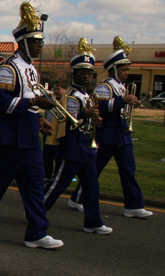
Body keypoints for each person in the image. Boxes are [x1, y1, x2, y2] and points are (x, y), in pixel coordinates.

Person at [0, 2, 64, 249]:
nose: (40, 45)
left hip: (29, 138)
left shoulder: (31, 69)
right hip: (7, 138)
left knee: (34, 187)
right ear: (22, 42)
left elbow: (28, 102)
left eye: (41, 41)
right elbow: (1, 103)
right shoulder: (7, 69)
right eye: (35, 41)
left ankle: (37, 232)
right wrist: (35, 102)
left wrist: (39, 118)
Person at [69, 36, 152, 218]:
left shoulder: (122, 87)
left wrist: (131, 102)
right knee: (94, 170)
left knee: (129, 170)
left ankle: (133, 205)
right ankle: (78, 198)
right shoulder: (105, 87)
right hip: (107, 135)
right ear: (114, 69)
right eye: (123, 70)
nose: (126, 73)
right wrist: (123, 100)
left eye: (127, 70)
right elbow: (100, 106)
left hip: (122, 135)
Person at [42, 40, 112, 234]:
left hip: (86, 146)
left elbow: (87, 120)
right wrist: (85, 115)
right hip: (72, 146)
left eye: (89, 73)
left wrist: (96, 120)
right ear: (74, 74)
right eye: (83, 73)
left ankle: (93, 222)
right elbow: (67, 120)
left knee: (92, 187)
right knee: (58, 185)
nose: (87, 76)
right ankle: (36, 210)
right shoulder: (72, 96)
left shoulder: (86, 95)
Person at [42, 80, 67, 181]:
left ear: (65, 90)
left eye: (58, 89)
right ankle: (47, 175)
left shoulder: (66, 102)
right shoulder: (51, 101)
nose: (55, 91)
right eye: (54, 89)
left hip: (58, 133)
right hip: (48, 131)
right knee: (47, 156)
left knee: (58, 156)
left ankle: (57, 177)